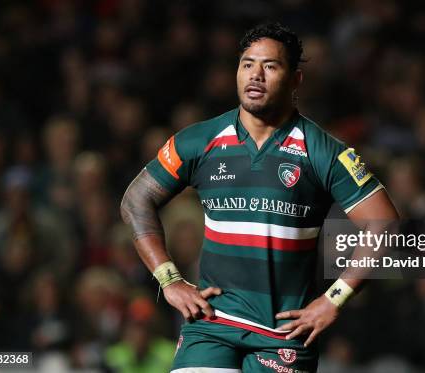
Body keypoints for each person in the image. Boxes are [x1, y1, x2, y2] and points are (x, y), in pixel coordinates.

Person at [121, 22, 398, 373]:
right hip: (211, 324)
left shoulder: (322, 151)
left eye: (270, 66)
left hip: (283, 333)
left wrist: (334, 300)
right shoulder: (200, 140)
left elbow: (385, 224)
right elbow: (135, 200)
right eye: (247, 64)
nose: (256, 75)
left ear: (295, 80)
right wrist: (169, 279)